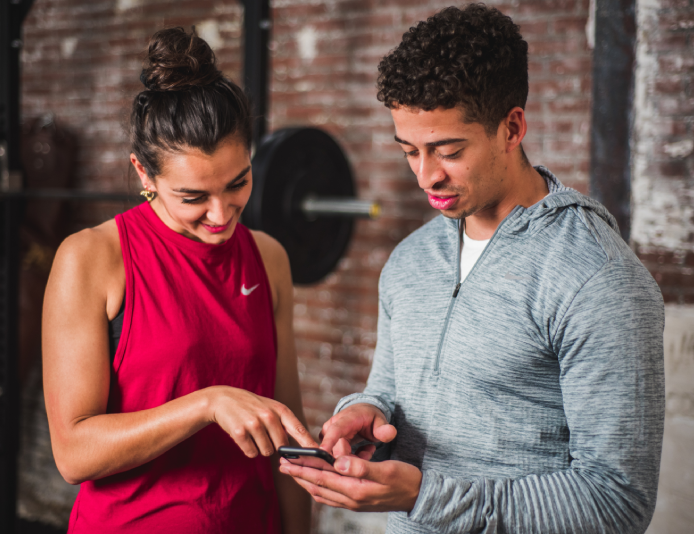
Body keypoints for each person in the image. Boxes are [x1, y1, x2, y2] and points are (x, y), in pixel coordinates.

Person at [280, 5, 665, 533]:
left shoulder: (597, 277)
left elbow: (616, 503)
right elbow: (389, 387)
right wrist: (364, 409)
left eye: (448, 150)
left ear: (512, 128)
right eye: (410, 151)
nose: (425, 176)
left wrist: (429, 497)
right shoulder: (411, 259)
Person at [42, 27, 317, 534]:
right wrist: (207, 403)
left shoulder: (268, 257)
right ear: (144, 174)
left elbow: (287, 440)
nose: (220, 213)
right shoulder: (92, 258)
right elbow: (74, 453)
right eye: (193, 197)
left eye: (238, 183)